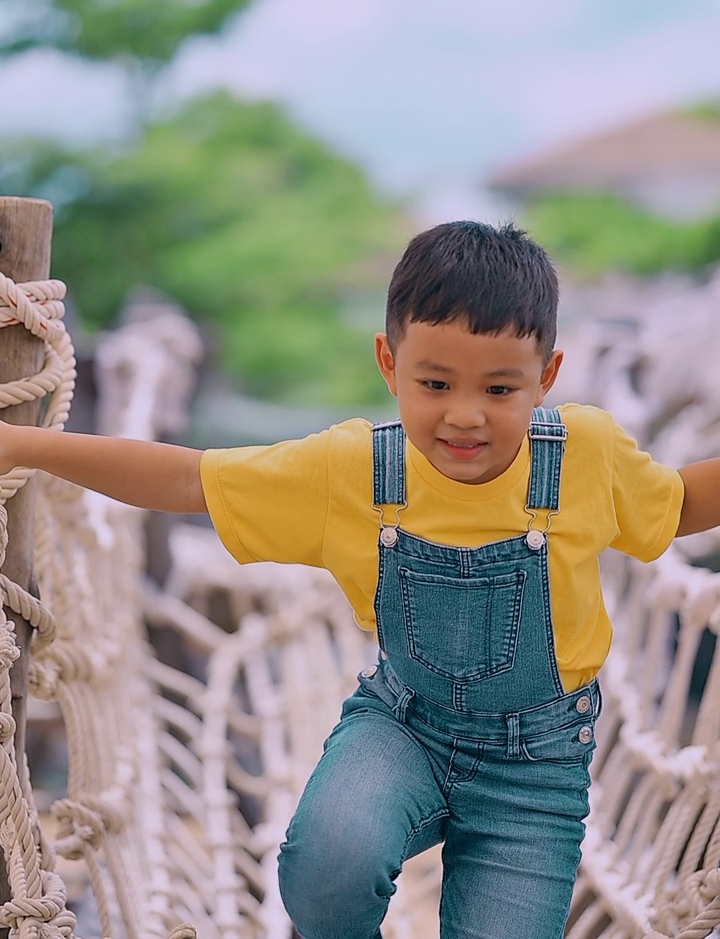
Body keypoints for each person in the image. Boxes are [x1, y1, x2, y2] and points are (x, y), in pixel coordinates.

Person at [0, 219, 717, 939]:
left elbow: (680, 503)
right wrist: (26, 442)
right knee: (327, 864)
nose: (464, 415)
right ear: (389, 362)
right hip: (405, 727)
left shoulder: (585, 457)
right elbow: (190, 478)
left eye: (500, 389)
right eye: (435, 383)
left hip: (536, 769)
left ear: (547, 377)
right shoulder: (353, 472)